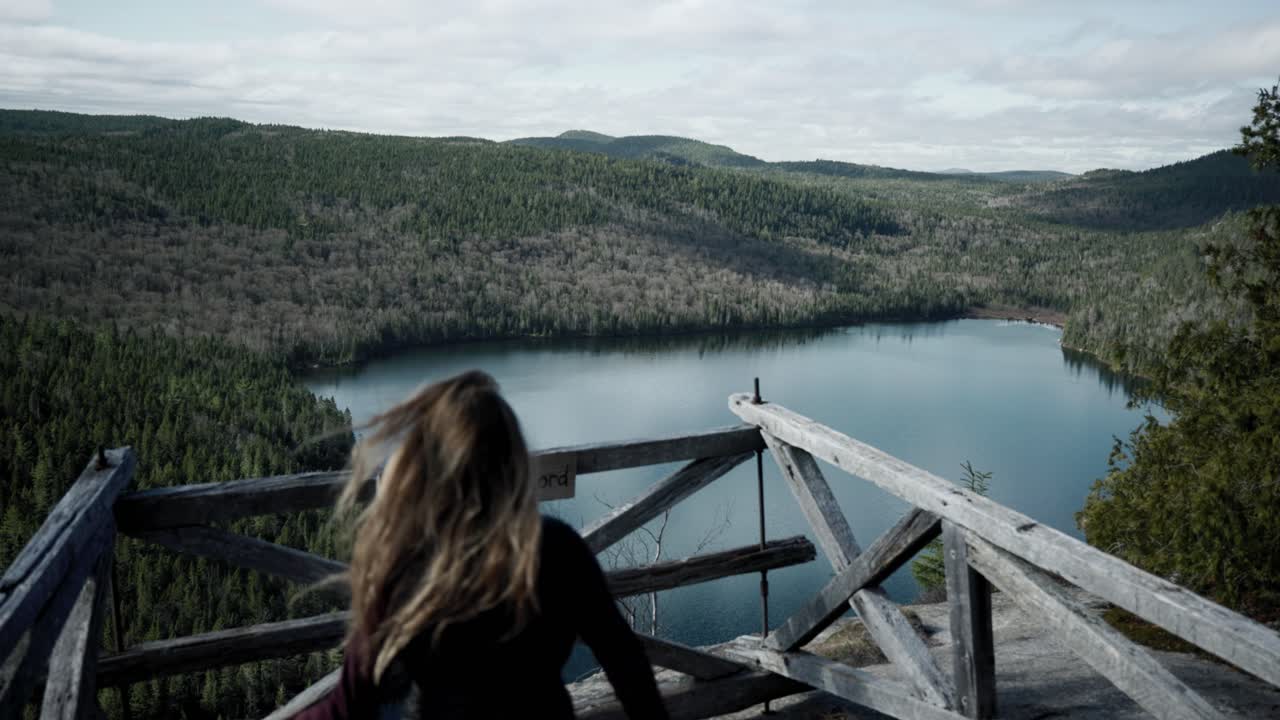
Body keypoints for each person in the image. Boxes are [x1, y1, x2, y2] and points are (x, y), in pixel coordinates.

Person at [296, 370, 668, 719]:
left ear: (421, 467)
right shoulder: (557, 547)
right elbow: (626, 663)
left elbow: (349, 706)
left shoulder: (407, 564)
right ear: (512, 463)